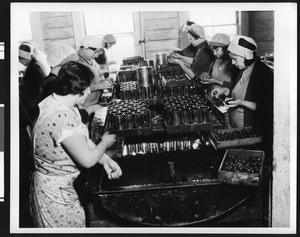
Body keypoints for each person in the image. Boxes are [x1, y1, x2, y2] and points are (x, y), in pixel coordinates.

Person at [29, 61, 122, 228]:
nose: (89, 91)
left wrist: (107, 161)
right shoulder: (61, 117)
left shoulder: (60, 102)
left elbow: (82, 141)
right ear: (80, 88)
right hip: (55, 193)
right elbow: (87, 160)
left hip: (62, 187)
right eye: (88, 87)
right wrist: (105, 143)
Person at [211, 35, 273, 151]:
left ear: (247, 56)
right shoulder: (241, 69)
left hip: (252, 134)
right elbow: (237, 89)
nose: (233, 63)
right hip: (238, 128)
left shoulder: (263, 74)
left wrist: (241, 102)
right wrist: (224, 90)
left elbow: (267, 107)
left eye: (235, 59)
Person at [40, 44, 101, 124]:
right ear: (66, 65)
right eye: (76, 63)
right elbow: (66, 118)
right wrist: (90, 109)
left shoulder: (52, 80)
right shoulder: (53, 84)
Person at [77, 35, 114, 109]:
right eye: (96, 52)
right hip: (85, 106)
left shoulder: (89, 59)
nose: (97, 56)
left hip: (95, 101)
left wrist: (103, 81)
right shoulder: (77, 64)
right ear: (86, 48)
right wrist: (99, 86)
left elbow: (92, 81)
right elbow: (77, 89)